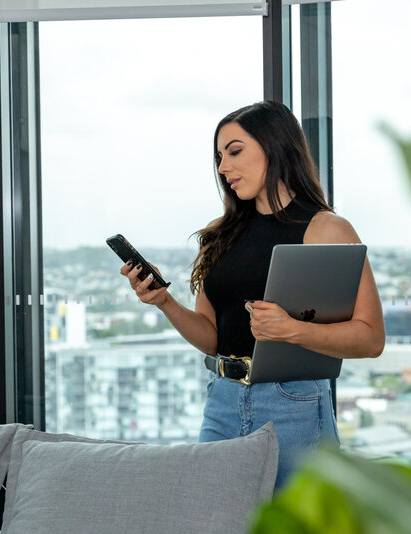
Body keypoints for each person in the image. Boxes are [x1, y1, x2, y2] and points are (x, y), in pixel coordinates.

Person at [120, 100, 385, 490]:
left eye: (235, 151)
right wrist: (164, 302)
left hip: (293, 406)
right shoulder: (219, 233)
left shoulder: (327, 230)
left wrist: (292, 330)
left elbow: (370, 338)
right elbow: (212, 337)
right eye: (219, 157)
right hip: (223, 401)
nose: (223, 167)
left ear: (275, 145)